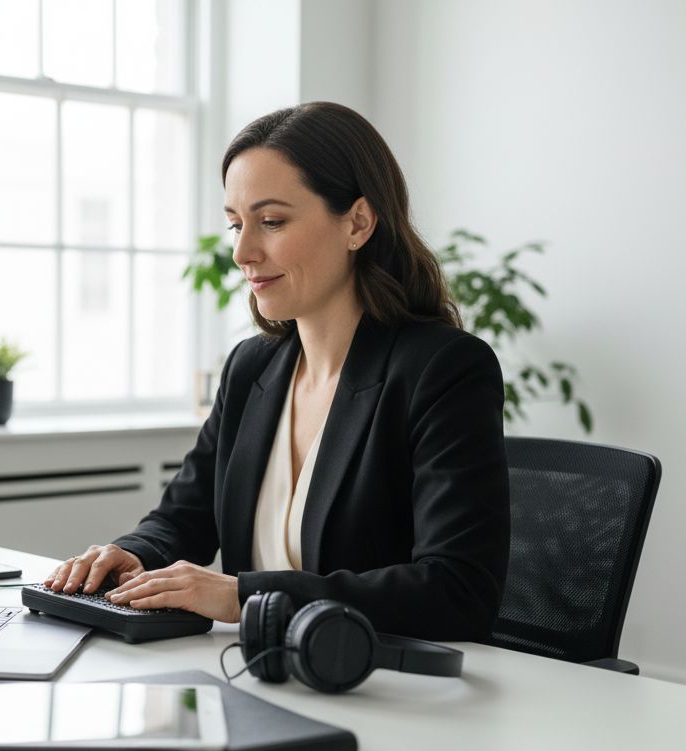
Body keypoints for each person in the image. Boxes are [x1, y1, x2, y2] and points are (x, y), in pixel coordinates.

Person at [46, 102, 509, 641]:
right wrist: (134, 554)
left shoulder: (443, 369)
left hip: (379, 675)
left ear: (358, 222)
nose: (242, 252)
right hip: (259, 668)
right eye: (235, 224)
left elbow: (458, 590)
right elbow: (184, 517)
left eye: (271, 222)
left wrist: (242, 594)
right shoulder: (252, 368)